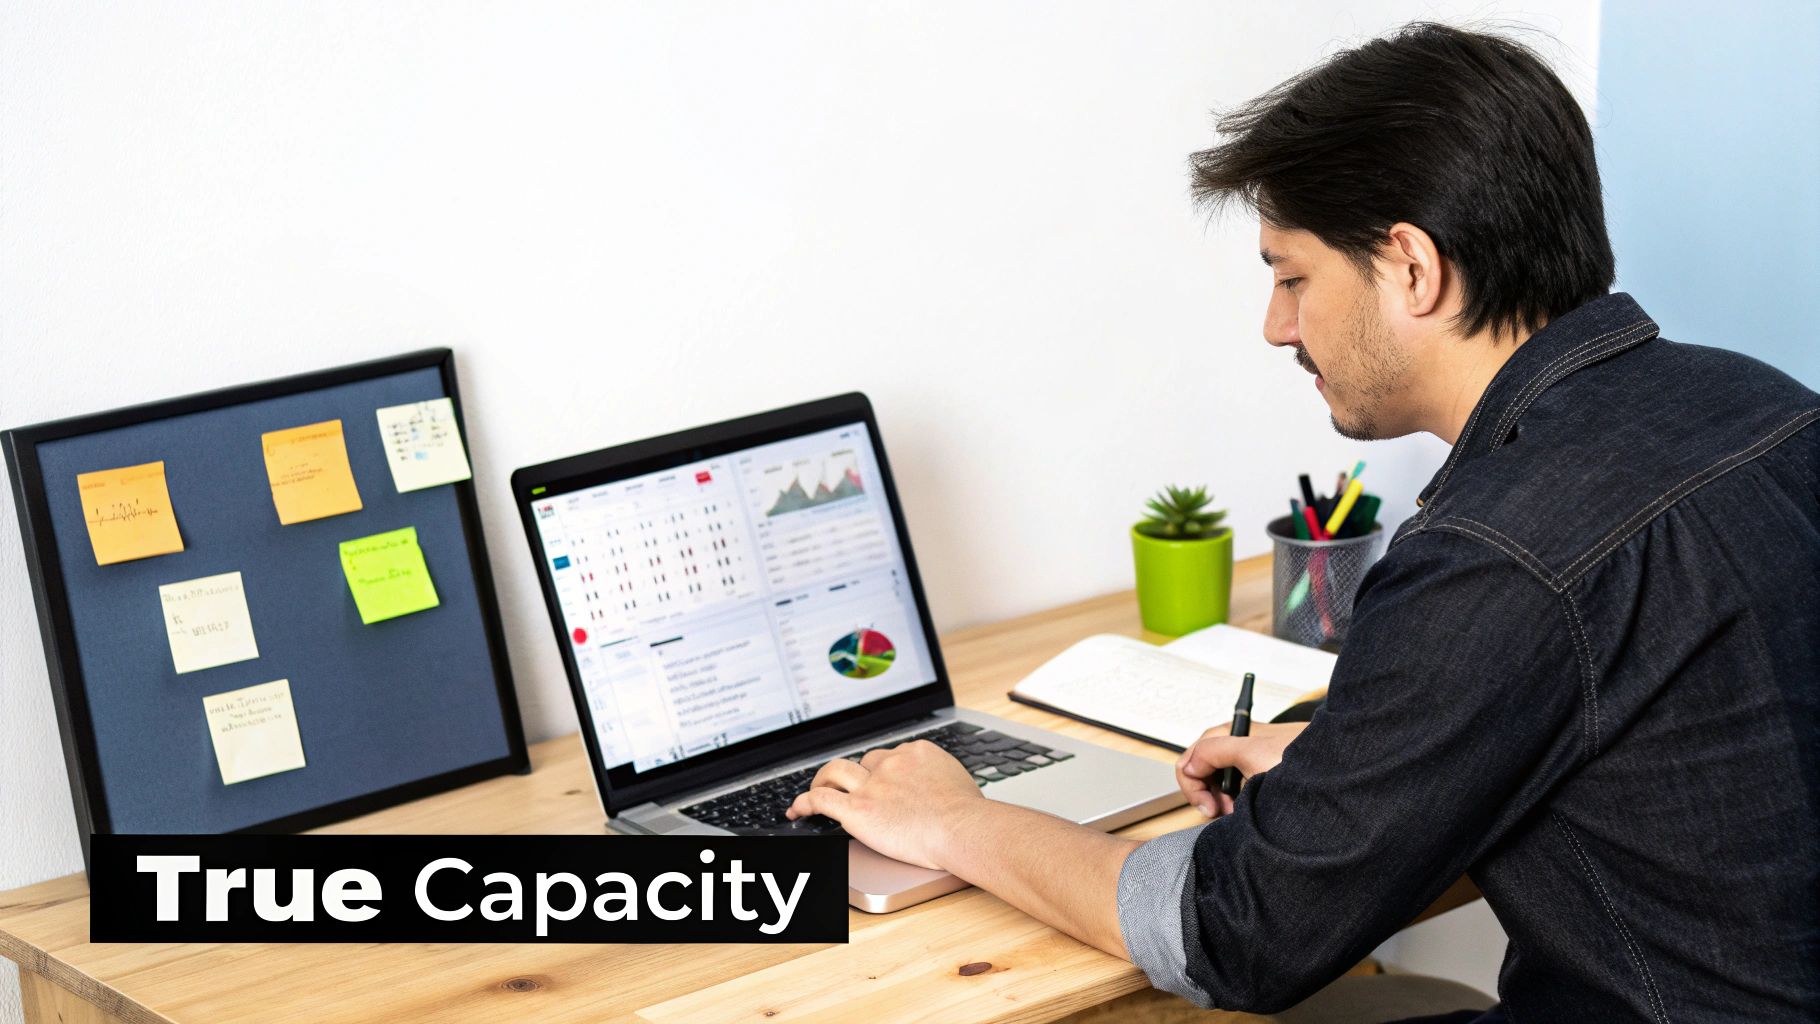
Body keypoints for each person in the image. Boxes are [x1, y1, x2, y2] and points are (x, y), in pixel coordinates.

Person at [786, 21, 1820, 1023]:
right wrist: (1358, 766)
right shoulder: (1768, 407)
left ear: (1411, 268)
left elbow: (1236, 932)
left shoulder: (1494, 555)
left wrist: (951, 818)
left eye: (1291, 277)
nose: (1276, 325)